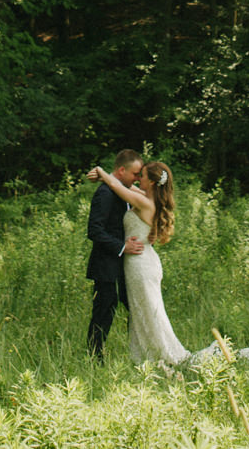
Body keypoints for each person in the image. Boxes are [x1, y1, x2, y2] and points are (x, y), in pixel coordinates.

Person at [86, 157, 249, 368]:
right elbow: (123, 187)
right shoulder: (146, 198)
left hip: (141, 264)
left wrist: (101, 170)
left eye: (141, 176)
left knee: (151, 313)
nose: (137, 179)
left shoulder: (143, 202)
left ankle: (164, 355)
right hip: (142, 262)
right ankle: (148, 354)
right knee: (146, 312)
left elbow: (117, 185)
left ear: (151, 182)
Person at [86, 148, 146, 359]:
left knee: (134, 306)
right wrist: (122, 246)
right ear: (121, 170)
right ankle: (95, 357)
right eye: (135, 174)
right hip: (106, 265)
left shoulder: (121, 189)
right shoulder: (105, 193)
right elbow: (94, 230)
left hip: (124, 265)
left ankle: (138, 353)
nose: (138, 179)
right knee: (104, 311)